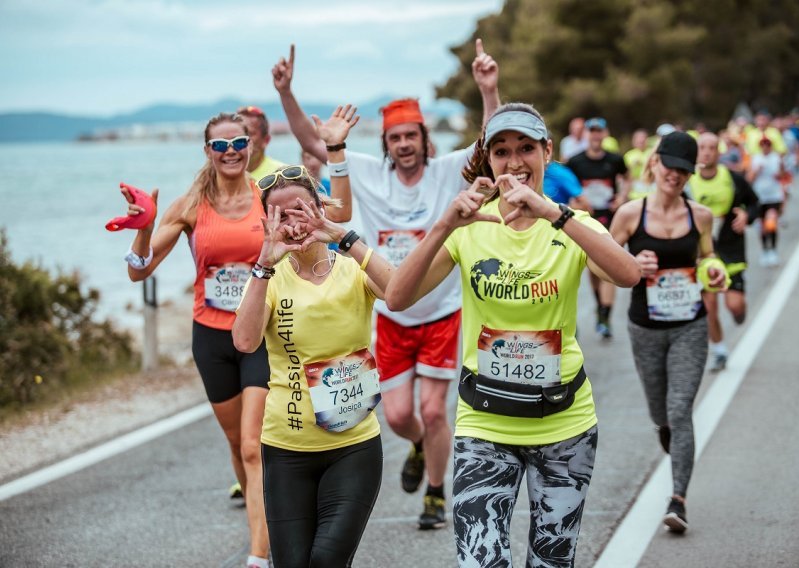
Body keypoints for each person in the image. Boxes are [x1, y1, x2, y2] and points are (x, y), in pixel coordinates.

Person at [385, 103, 640, 567]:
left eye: (526, 147)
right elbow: (398, 297)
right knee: (480, 561)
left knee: (550, 562)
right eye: (501, 151)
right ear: (488, 161)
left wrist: (556, 215)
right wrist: (444, 224)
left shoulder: (573, 225)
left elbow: (626, 275)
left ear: (548, 150)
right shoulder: (470, 227)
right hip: (485, 423)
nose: (515, 161)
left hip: (564, 425)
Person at [271, 40, 501, 530]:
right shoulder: (370, 173)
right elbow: (315, 144)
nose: (403, 145)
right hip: (390, 313)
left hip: (440, 310)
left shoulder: (447, 172)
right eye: (394, 138)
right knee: (398, 416)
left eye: (410, 136)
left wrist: (488, 89)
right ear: (387, 144)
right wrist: (286, 93)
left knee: (436, 411)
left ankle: (437, 493)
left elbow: (489, 140)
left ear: (423, 138)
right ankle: (418, 445)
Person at [232, 110, 393, 565]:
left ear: (319, 207)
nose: (294, 223)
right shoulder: (268, 276)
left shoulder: (351, 266)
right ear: (267, 222)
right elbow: (244, 343)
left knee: (325, 561)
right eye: (280, 215)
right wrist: (265, 262)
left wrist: (346, 238)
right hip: (286, 448)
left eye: (301, 210)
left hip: (354, 446)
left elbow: (399, 295)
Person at [120, 112, 270, 567]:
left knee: (252, 446)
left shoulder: (267, 197)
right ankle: (264, 522)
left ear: (251, 146)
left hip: (261, 335)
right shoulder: (189, 205)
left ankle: (259, 556)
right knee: (234, 446)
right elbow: (138, 269)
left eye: (238, 142)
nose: (230, 152)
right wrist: (145, 225)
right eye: (220, 145)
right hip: (210, 338)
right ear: (207, 151)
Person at [610, 131, 728, 534]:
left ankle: (678, 498)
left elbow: (710, 256)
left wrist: (715, 270)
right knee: (660, 413)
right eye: (669, 166)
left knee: (680, 410)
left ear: (689, 174)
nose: (674, 176)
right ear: (655, 163)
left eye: (683, 170)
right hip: (644, 328)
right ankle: (669, 433)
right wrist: (629, 263)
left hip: (689, 327)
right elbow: (599, 262)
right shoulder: (629, 214)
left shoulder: (700, 216)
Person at [688, 132, 760, 372]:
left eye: (712, 148)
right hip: (705, 253)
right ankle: (719, 351)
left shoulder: (732, 178)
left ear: (719, 152)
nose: (707, 152)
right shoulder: (688, 182)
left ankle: (740, 310)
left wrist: (747, 215)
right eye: (702, 147)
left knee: (735, 306)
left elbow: (755, 202)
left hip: (731, 249)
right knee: (709, 307)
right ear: (696, 152)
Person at [566, 116, 630, 339]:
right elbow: (567, 187)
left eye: (598, 131)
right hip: (584, 218)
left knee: (607, 265)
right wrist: (574, 203)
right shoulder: (575, 161)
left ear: (605, 134)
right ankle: (600, 308)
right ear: (586, 135)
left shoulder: (615, 160)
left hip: (609, 218)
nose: (595, 135)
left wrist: (622, 196)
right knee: (592, 269)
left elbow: (627, 177)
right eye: (591, 131)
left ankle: (605, 316)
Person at [748, 136, 786, 267]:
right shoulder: (756, 159)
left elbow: (783, 176)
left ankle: (774, 250)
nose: (765, 147)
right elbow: (749, 178)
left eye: (767, 145)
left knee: (772, 223)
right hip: (760, 196)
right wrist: (757, 171)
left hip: (774, 196)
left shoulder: (776, 158)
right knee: (762, 226)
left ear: (770, 146)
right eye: (763, 145)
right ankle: (765, 250)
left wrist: (780, 172)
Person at [237, 105, 286, 181]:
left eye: (249, 133)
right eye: (238, 134)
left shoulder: (282, 175)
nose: (242, 138)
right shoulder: (220, 175)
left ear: (266, 140)